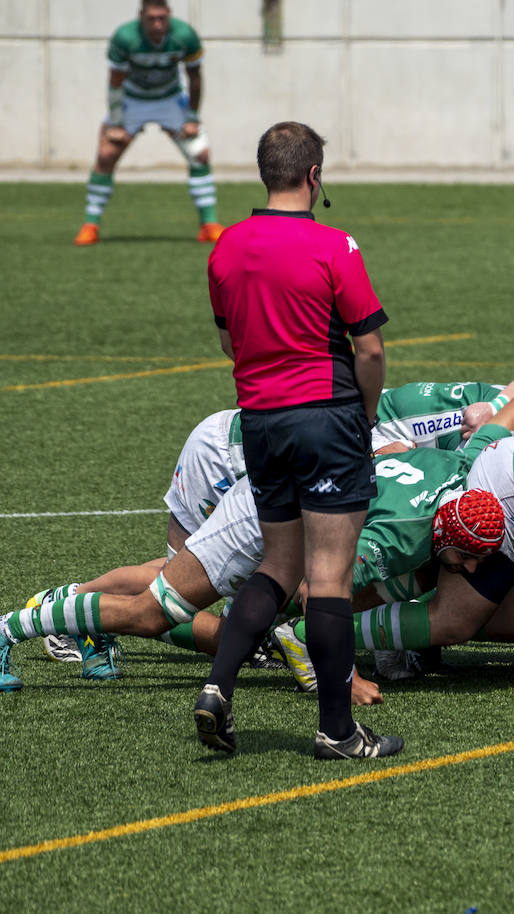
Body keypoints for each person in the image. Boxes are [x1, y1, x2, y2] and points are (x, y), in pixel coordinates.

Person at [199, 120, 394, 760]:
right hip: (326, 416)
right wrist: (364, 416)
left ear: (265, 173)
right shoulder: (335, 244)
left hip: (258, 421)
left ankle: (217, 687)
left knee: (276, 568)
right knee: (328, 575)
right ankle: (337, 731)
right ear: (314, 175)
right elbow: (368, 347)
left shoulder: (225, 245)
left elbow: (229, 340)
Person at [75, 0, 223, 246]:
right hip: (133, 100)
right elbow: (115, 82)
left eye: (162, 18)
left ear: (169, 15)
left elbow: (195, 77)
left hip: (170, 99)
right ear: (141, 16)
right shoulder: (125, 37)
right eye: (151, 18)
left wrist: (192, 117)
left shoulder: (184, 35)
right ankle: (90, 225)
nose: (157, 24)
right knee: (105, 155)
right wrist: (117, 122)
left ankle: (208, 224)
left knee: (200, 153)